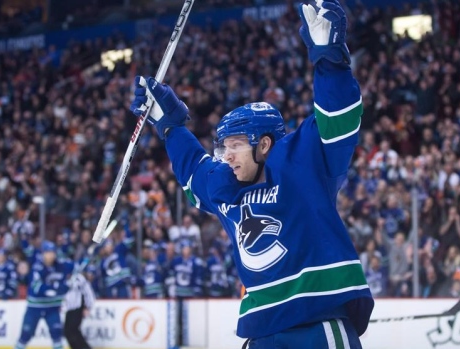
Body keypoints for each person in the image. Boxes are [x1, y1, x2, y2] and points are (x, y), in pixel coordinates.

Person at [129, 1, 374, 347]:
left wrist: (329, 59)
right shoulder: (226, 185)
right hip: (260, 332)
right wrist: (169, 124)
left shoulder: (301, 166)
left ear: (265, 146)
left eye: (236, 145)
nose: (226, 155)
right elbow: (193, 168)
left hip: (316, 328)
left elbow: (338, 119)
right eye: (223, 146)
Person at [15, 241, 74, 349]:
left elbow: (74, 269)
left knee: (57, 334)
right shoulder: (37, 267)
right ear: (43, 253)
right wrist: (55, 290)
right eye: (48, 252)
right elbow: (37, 287)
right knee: (25, 334)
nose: (50, 255)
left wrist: (69, 282)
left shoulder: (61, 265)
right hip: (34, 307)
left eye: (52, 252)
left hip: (53, 308)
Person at [63, 261, 96, 349]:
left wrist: (87, 307)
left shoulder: (79, 278)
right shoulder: (66, 279)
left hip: (77, 308)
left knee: (72, 331)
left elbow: (88, 293)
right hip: (70, 309)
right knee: (69, 332)